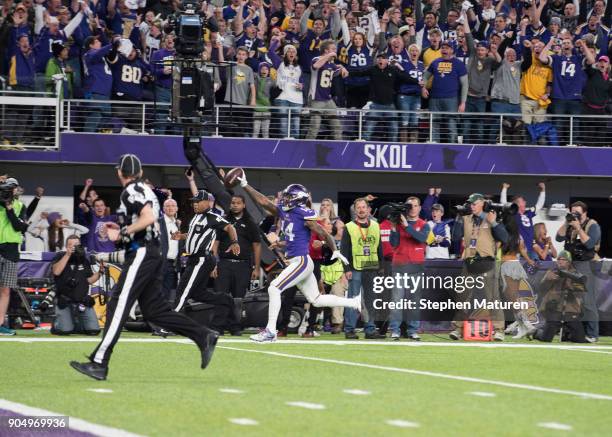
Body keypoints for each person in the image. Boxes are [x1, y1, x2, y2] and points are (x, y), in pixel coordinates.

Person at [70, 154, 219, 381]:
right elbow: (147, 219)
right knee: (154, 311)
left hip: (142, 253)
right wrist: (123, 228)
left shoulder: (130, 190)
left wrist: (121, 232)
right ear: (139, 172)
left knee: (118, 303)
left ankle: (100, 362)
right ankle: (203, 335)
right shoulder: (146, 189)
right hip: (153, 253)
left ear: (120, 172)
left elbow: (148, 217)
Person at [238, 173, 361, 342]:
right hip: (298, 261)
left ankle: (270, 331)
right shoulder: (286, 211)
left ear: (298, 199)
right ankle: (354, 303)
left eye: (289, 197)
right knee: (316, 300)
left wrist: (335, 250)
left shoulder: (303, 212)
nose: (285, 199)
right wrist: (245, 184)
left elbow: (322, 232)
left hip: (301, 261)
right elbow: (264, 202)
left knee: (274, 288)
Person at [171, 190, 242, 336]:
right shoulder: (196, 217)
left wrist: (234, 242)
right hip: (195, 259)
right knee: (198, 294)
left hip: (201, 259)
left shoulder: (212, 217)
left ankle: (171, 324)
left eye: (198, 202)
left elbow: (230, 227)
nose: (195, 204)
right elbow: (193, 235)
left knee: (182, 291)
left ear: (207, 202)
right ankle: (226, 301)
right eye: (194, 202)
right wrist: (181, 236)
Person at [450, 193, 509, 341]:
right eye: (470, 203)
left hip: (487, 261)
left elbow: (505, 238)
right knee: (463, 297)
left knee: (493, 298)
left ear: (482, 203)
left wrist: (494, 222)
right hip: (470, 261)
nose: (471, 206)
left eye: (474, 203)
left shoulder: (490, 216)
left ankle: (498, 330)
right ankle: (458, 328)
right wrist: (458, 216)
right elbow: (455, 237)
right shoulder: (466, 218)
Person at [213, 195, 262, 335]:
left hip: (243, 266)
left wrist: (256, 268)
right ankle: (218, 326)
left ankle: (235, 326)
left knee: (238, 298)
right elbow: (215, 243)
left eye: (238, 203)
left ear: (244, 205)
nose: (235, 205)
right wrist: (214, 264)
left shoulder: (251, 223)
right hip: (224, 263)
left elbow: (257, 246)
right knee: (221, 296)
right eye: (233, 203)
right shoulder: (223, 221)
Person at [555, 201, 601, 342]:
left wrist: (578, 228)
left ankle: (592, 334)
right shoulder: (569, 224)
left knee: (587, 301)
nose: (575, 215)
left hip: (585, 265)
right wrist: (567, 222)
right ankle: (570, 333)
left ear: (585, 213)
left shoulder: (592, 225)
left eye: (577, 213)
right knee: (570, 300)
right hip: (570, 265)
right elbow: (558, 237)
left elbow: (590, 244)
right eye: (572, 212)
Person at [341, 197, 384, 340]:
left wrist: (381, 266)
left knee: (370, 300)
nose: (361, 210)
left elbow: (379, 247)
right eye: (358, 207)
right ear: (355, 210)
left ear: (368, 209)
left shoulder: (376, 226)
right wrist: (346, 268)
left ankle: (370, 330)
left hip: (371, 267)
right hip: (354, 267)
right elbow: (344, 250)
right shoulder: (349, 227)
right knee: (353, 299)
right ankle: (349, 329)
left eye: (363, 207)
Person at [389, 197, 430, 341]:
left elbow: (420, 238)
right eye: (410, 206)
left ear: (419, 208)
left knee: (414, 301)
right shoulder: (398, 224)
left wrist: (406, 225)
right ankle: (395, 330)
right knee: (397, 300)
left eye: (415, 205)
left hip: (416, 267)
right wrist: (394, 227)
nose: (412, 208)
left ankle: (413, 330)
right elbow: (393, 244)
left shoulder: (424, 225)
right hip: (399, 266)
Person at [47, 235, 102, 336]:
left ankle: (76, 324)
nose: (74, 247)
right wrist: (67, 255)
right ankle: (56, 324)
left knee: (94, 330)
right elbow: (56, 272)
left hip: (81, 300)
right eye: (71, 245)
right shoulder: (60, 256)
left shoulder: (84, 260)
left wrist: (100, 272)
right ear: (66, 247)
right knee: (65, 330)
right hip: (64, 300)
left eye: (77, 245)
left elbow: (88, 280)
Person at [535, 251, 588, 343]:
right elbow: (541, 289)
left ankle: (567, 335)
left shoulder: (576, 275)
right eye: (558, 259)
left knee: (579, 339)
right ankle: (535, 332)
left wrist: (571, 286)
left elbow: (582, 292)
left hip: (570, 311)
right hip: (554, 310)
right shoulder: (552, 272)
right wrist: (548, 280)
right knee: (546, 338)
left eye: (563, 259)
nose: (560, 261)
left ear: (568, 262)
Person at [0, 178, 28, 336]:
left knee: (5, 290)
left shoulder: (20, 206)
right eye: (7, 188)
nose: (10, 191)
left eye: (13, 188)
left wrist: (9, 208)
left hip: (11, 250)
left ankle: (0, 324)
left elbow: (20, 226)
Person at [306, 40, 348, 140]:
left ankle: (339, 150)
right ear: (325, 50)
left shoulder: (331, 64)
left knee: (337, 127)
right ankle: (305, 151)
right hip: (316, 98)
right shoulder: (316, 59)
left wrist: (342, 68)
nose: (335, 51)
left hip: (328, 99)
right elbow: (316, 66)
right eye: (333, 49)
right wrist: (328, 56)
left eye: (335, 49)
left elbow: (341, 72)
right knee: (314, 127)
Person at [500, 182, 546, 260]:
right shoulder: (513, 214)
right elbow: (503, 204)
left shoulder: (528, 213)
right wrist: (504, 189)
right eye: (523, 201)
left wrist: (543, 190)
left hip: (530, 249)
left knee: (535, 269)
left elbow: (539, 206)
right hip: (517, 250)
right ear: (516, 204)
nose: (525, 202)